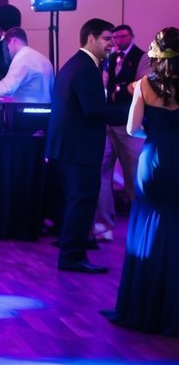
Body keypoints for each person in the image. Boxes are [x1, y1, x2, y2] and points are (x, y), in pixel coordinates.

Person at [102, 28, 179, 334]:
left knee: (148, 224)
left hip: (154, 160)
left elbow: (133, 129)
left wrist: (158, 136)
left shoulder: (146, 84)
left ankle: (144, 304)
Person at [45, 18, 127, 274]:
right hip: (78, 150)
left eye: (112, 39)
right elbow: (93, 110)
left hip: (68, 147)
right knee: (82, 202)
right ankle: (72, 257)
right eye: (107, 39)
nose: (111, 45)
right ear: (90, 38)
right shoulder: (86, 68)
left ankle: (73, 253)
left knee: (77, 202)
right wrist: (135, 111)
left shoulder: (75, 64)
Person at [93, 23, 149, 241]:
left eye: (123, 36)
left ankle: (142, 224)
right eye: (115, 37)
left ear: (131, 36)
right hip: (107, 124)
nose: (118, 40)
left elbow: (142, 86)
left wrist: (123, 88)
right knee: (101, 173)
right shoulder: (109, 58)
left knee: (134, 176)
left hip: (130, 126)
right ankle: (103, 226)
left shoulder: (141, 57)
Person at [0, 27, 54, 103]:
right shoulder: (42, 58)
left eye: (7, 45)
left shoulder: (22, 57)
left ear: (13, 41)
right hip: (45, 111)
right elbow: (29, 90)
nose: (7, 50)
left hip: (29, 113)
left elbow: (6, 89)